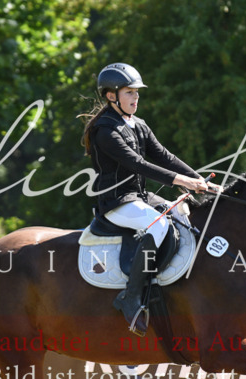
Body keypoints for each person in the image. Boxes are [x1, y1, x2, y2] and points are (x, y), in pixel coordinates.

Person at [82, 62, 220, 335]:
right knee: (158, 225)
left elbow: (163, 156)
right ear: (112, 96)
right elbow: (137, 164)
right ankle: (130, 298)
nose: (136, 98)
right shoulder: (105, 131)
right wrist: (182, 181)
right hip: (116, 202)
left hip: (140, 197)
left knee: (182, 214)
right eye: (130, 92)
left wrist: (199, 181)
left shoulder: (138, 125)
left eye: (137, 93)